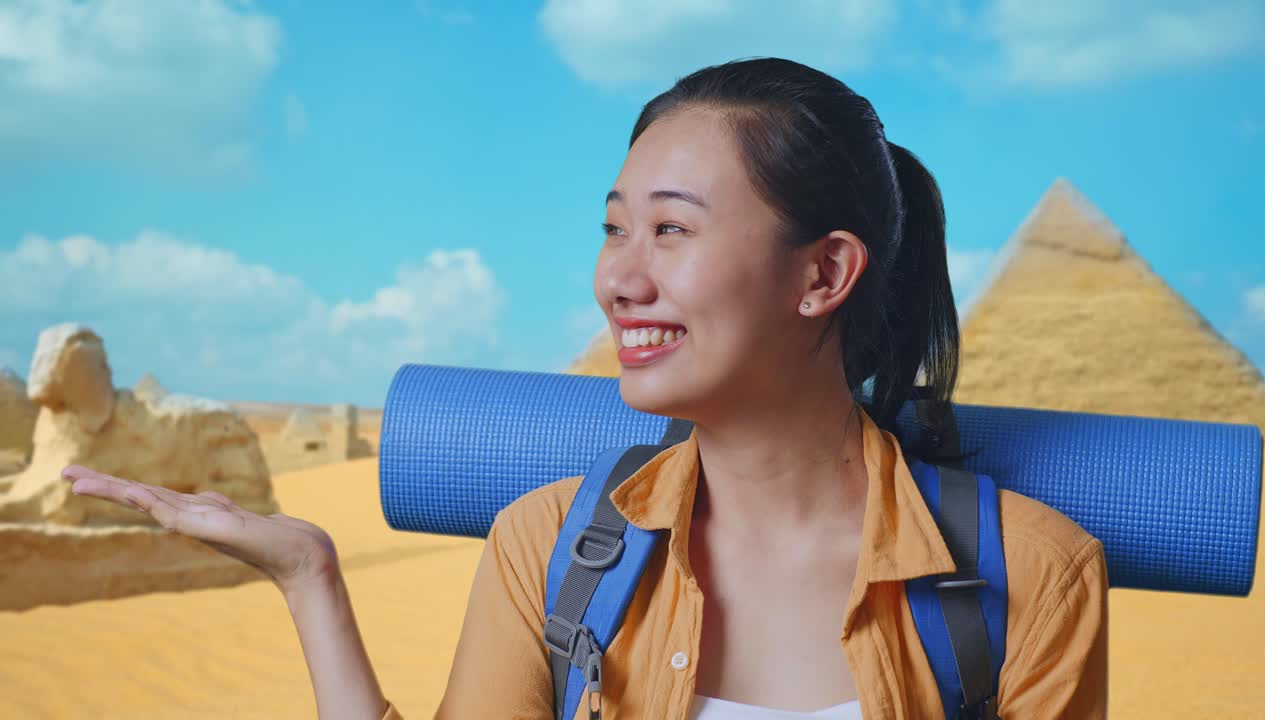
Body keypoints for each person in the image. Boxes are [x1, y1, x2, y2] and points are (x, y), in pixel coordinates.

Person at [62, 57, 1108, 719]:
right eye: (612, 228)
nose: (617, 277)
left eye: (669, 228)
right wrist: (308, 579)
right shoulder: (551, 548)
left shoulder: (1031, 581)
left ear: (822, 274)